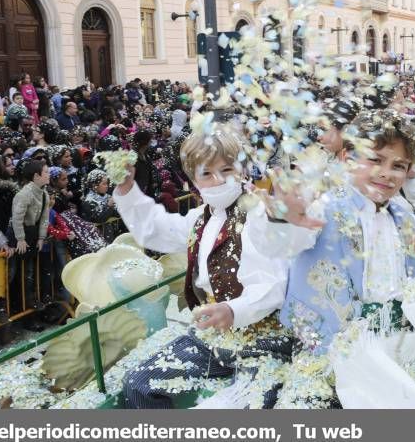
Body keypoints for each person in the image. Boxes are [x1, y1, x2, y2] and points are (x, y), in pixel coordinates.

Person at [254, 109, 415, 407]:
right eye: (375, 159)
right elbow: (282, 245)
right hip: (325, 352)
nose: (386, 172)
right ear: (348, 159)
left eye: (398, 165)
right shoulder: (325, 207)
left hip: (398, 347)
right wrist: (282, 218)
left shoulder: (405, 217)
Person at [115, 126, 291, 409]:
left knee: (251, 407)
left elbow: (273, 283)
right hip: (213, 336)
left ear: (243, 169)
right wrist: (127, 192)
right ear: (193, 179)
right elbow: (156, 230)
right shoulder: (201, 218)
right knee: (138, 385)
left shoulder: (258, 215)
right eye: (207, 174)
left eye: (227, 169)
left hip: (265, 339)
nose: (219, 180)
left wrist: (234, 310)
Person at [8, 159, 50, 329]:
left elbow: (44, 218)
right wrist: (20, 238)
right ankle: (22, 311)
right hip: (20, 237)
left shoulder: (44, 193)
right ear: (36, 175)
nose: (48, 175)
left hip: (33, 235)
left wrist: (41, 237)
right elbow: (16, 218)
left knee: (31, 273)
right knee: (22, 275)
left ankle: (32, 309)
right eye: (46, 172)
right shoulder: (24, 194)